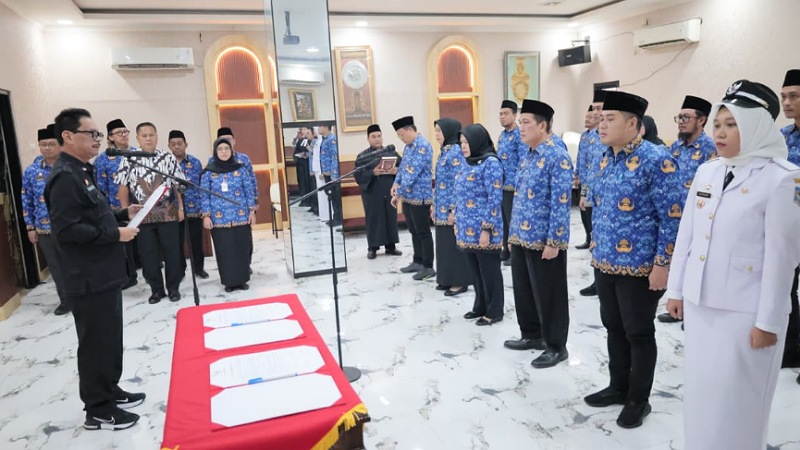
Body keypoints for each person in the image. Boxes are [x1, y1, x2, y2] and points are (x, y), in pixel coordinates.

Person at [665, 80, 800, 450]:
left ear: (756, 125)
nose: (720, 133)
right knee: (703, 396)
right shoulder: (710, 172)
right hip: (701, 303)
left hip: (745, 313)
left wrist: (768, 322)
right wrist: (676, 289)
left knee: (739, 403)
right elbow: (687, 235)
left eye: (732, 124)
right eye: (718, 125)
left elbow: (782, 259)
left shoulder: (782, 179)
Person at [582, 91, 683, 429]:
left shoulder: (657, 159)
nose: (602, 123)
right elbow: (599, 206)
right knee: (614, 327)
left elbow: (673, 216)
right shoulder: (603, 157)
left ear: (633, 124)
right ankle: (618, 386)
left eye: (611, 118)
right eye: (601, 117)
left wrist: (663, 264)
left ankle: (639, 399)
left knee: (639, 332)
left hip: (641, 267)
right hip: (606, 262)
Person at [45, 108, 144, 430]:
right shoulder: (64, 177)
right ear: (68, 137)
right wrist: (116, 234)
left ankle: (110, 390)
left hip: (103, 272)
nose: (98, 140)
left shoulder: (82, 171)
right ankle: (98, 408)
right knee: (95, 344)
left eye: (99, 134)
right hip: (85, 277)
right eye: (91, 134)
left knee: (110, 340)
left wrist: (121, 214)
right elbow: (67, 230)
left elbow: (92, 216)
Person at [503, 100, 573, 368]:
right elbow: (519, 198)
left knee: (550, 293)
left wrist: (555, 241)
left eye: (525, 122)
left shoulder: (557, 154)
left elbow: (561, 201)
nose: (520, 128)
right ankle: (531, 334)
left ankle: (556, 346)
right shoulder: (529, 153)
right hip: (522, 237)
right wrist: (512, 236)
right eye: (519, 122)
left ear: (543, 125)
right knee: (524, 289)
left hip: (545, 240)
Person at [656, 95, 716, 325]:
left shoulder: (711, 149)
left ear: (701, 121)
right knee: (677, 263)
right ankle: (677, 306)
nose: (681, 122)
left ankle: (692, 314)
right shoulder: (676, 147)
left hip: (700, 218)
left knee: (696, 267)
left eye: (686, 117)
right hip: (676, 216)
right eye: (679, 117)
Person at [116, 122, 186, 304]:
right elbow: (123, 189)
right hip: (142, 217)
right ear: (138, 138)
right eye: (144, 135)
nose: (148, 138)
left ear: (157, 136)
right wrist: (126, 214)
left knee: (173, 254)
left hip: (168, 213)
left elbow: (178, 184)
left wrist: (180, 208)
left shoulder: (167, 157)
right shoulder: (128, 159)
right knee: (148, 256)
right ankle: (156, 290)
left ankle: (173, 288)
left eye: (151, 135)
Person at [455, 124, 504, 325]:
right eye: (461, 143)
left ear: (477, 141)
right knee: (475, 272)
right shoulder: (466, 162)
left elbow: (494, 198)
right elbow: (458, 192)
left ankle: (494, 310)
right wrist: (456, 218)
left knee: (489, 271)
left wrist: (486, 229)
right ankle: (480, 306)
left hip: (485, 228)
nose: (464, 146)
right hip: (467, 227)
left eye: (467, 142)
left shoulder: (490, 163)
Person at [22, 125, 69, 316]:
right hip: (45, 228)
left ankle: (83, 297)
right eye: (43, 145)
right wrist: (30, 227)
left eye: (51, 144)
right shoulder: (32, 171)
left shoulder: (70, 166)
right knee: (56, 267)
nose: (47, 148)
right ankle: (66, 301)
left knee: (76, 264)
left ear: (60, 145)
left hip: (72, 226)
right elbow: (26, 199)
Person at [201, 138, 256, 292]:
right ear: (215, 152)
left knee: (242, 248)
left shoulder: (241, 169)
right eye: (220, 149)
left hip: (241, 216)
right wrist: (206, 215)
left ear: (232, 150)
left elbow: (248, 191)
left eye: (227, 148)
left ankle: (242, 279)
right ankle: (229, 282)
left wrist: (252, 212)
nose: (224, 152)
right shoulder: (209, 172)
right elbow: (204, 195)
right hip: (219, 219)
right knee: (225, 251)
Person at [95, 118, 139, 290]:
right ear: (111, 137)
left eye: (125, 131)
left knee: (143, 240)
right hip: (117, 207)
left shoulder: (138, 153)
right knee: (124, 243)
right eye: (119, 133)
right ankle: (130, 275)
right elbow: (101, 187)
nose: (123, 135)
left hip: (139, 204)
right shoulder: (104, 159)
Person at [391, 116, 435, 281]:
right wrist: (396, 184)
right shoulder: (408, 147)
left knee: (423, 232)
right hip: (408, 196)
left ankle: (428, 266)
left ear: (410, 130)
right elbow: (402, 169)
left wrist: (398, 192)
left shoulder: (423, 146)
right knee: (413, 230)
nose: (401, 138)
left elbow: (412, 174)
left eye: (402, 135)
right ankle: (417, 261)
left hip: (420, 196)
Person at [431, 118, 471, 296]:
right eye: (436, 131)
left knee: (453, 246)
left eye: (440, 131)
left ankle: (459, 281)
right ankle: (446, 278)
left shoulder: (456, 152)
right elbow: (439, 181)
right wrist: (434, 204)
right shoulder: (444, 152)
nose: (437, 135)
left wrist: (455, 209)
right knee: (444, 245)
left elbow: (460, 182)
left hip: (451, 209)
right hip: (440, 207)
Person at [353, 124, 402, 259]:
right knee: (374, 218)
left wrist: (396, 171)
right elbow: (358, 175)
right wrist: (372, 173)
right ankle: (373, 248)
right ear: (368, 139)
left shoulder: (391, 152)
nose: (377, 139)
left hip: (389, 190)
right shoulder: (363, 156)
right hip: (372, 192)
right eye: (373, 137)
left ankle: (391, 246)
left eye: (379, 136)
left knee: (390, 217)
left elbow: (403, 167)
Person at [779, 69, 800, 372]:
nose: (786, 102)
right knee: (787, 290)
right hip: (788, 227)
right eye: (784, 96)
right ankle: (793, 350)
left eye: (793, 96)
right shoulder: (781, 138)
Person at [578, 89, 608, 296]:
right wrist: (583, 192)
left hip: (606, 196)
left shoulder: (607, 136)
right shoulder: (589, 136)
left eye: (600, 108)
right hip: (590, 193)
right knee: (594, 238)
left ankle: (602, 281)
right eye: (594, 108)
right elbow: (587, 165)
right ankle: (597, 281)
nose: (596, 112)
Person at [168, 130, 208, 279]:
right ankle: (180, 271)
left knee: (196, 242)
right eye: (173, 144)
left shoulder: (195, 162)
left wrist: (203, 208)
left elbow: (200, 185)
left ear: (186, 144)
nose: (176, 147)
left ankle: (198, 268)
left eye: (179, 144)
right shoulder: (166, 163)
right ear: (169, 145)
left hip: (194, 210)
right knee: (176, 244)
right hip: (173, 211)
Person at [496, 100, 526, 263]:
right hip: (501, 186)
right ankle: (505, 250)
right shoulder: (502, 136)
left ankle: (515, 253)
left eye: (506, 113)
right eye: (500, 114)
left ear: (515, 115)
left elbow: (523, 160)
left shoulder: (519, 135)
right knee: (504, 221)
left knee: (513, 220)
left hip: (513, 187)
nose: (502, 117)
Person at [575, 105, 601, 249]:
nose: (587, 119)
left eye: (590, 117)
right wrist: (577, 174)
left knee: (591, 211)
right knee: (583, 210)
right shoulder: (584, 136)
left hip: (594, 180)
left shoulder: (599, 136)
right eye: (586, 117)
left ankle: (594, 240)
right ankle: (587, 237)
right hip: (584, 178)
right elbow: (580, 157)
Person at [318, 123, 343, 227]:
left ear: (325, 127)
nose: (318, 129)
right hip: (327, 173)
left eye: (320, 126)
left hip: (333, 175)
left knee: (336, 197)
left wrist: (334, 174)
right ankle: (335, 217)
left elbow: (335, 156)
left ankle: (338, 219)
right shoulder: (324, 139)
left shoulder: (332, 139)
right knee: (331, 196)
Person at [294, 126, 312, 206]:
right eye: (302, 129)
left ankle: (310, 201)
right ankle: (303, 200)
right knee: (302, 182)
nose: (304, 131)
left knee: (309, 182)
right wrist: (298, 156)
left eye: (305, 129)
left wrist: (307, 154)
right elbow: (295, 152)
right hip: (301, 165)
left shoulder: (311, 141)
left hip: (308, 165)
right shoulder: (300, 140)